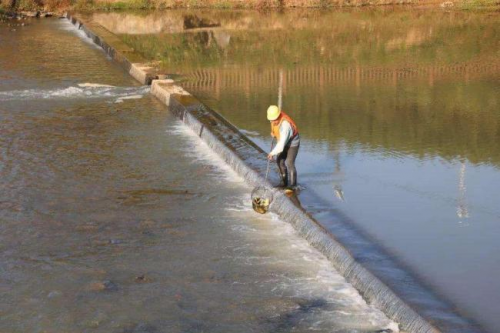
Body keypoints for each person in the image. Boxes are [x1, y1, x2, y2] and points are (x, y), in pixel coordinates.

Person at [267, 105, 300, 189]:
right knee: (279, 161)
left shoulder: (285, 125)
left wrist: (272, 153)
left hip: (292, 143)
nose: (272, 122)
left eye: (274, 120)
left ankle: (293, 186)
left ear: (278, 116)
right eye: (271, 120)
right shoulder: (274, 120)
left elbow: (281, 145)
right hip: (284, 141)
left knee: (289, 162)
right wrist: (274, 133)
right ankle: (284, 183)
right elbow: (276, 130)